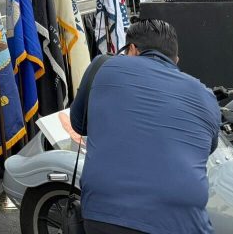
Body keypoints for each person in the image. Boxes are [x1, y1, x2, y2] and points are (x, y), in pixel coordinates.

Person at [70, 19, 220, 234]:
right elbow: (207, 148)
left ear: (132, 49)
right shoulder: (205, 94)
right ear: (176, 60)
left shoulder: (102, 65)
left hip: (104, 213)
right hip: (183, 221)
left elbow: (79, 124)